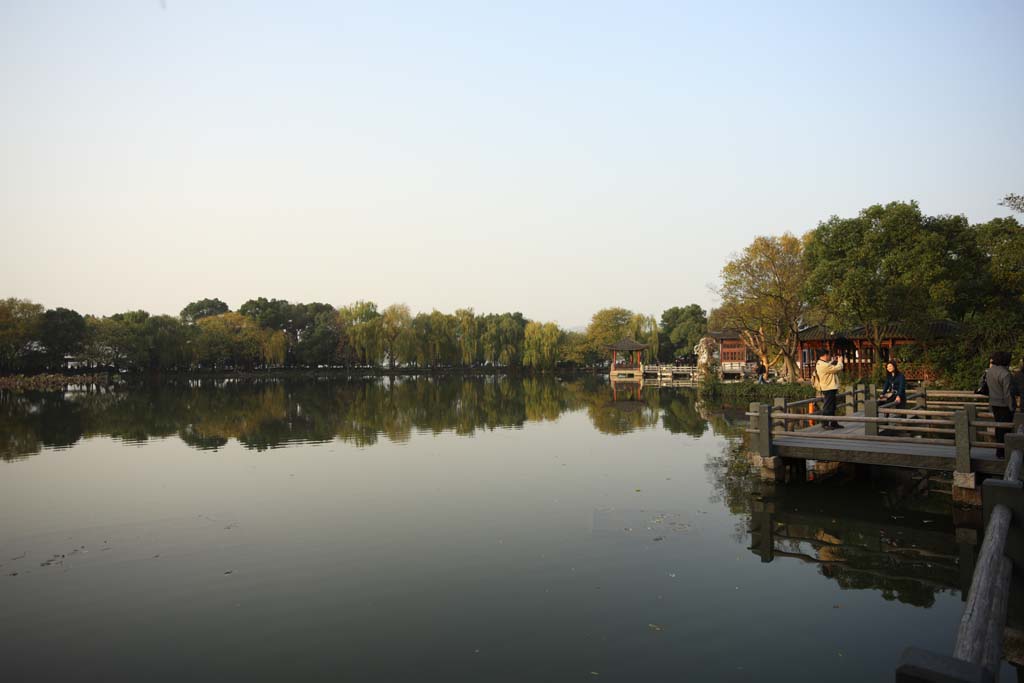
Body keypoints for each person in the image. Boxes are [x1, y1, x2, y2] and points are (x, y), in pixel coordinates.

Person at [984, 351, 1018, 459]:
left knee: (998, 427)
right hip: (1004, 405)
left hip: (994, 403)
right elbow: (1008, 393)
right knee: (1006, 429)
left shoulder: (989, 371)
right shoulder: (1005, 373)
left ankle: (999, 451)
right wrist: (1012, 407)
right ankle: (1004, 452)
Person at [814, 350, 844, 430]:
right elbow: (838, 368)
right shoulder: (823, 365)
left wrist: (833, 361)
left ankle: (833, 422)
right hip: (828, 388)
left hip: (829, 387)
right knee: (828, 407)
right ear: (824, 355)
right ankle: (825, 424)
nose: (829, 356)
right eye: (828, 355)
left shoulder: (821, 363)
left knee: (832, 406)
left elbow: (828, 365)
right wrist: (840, 361)